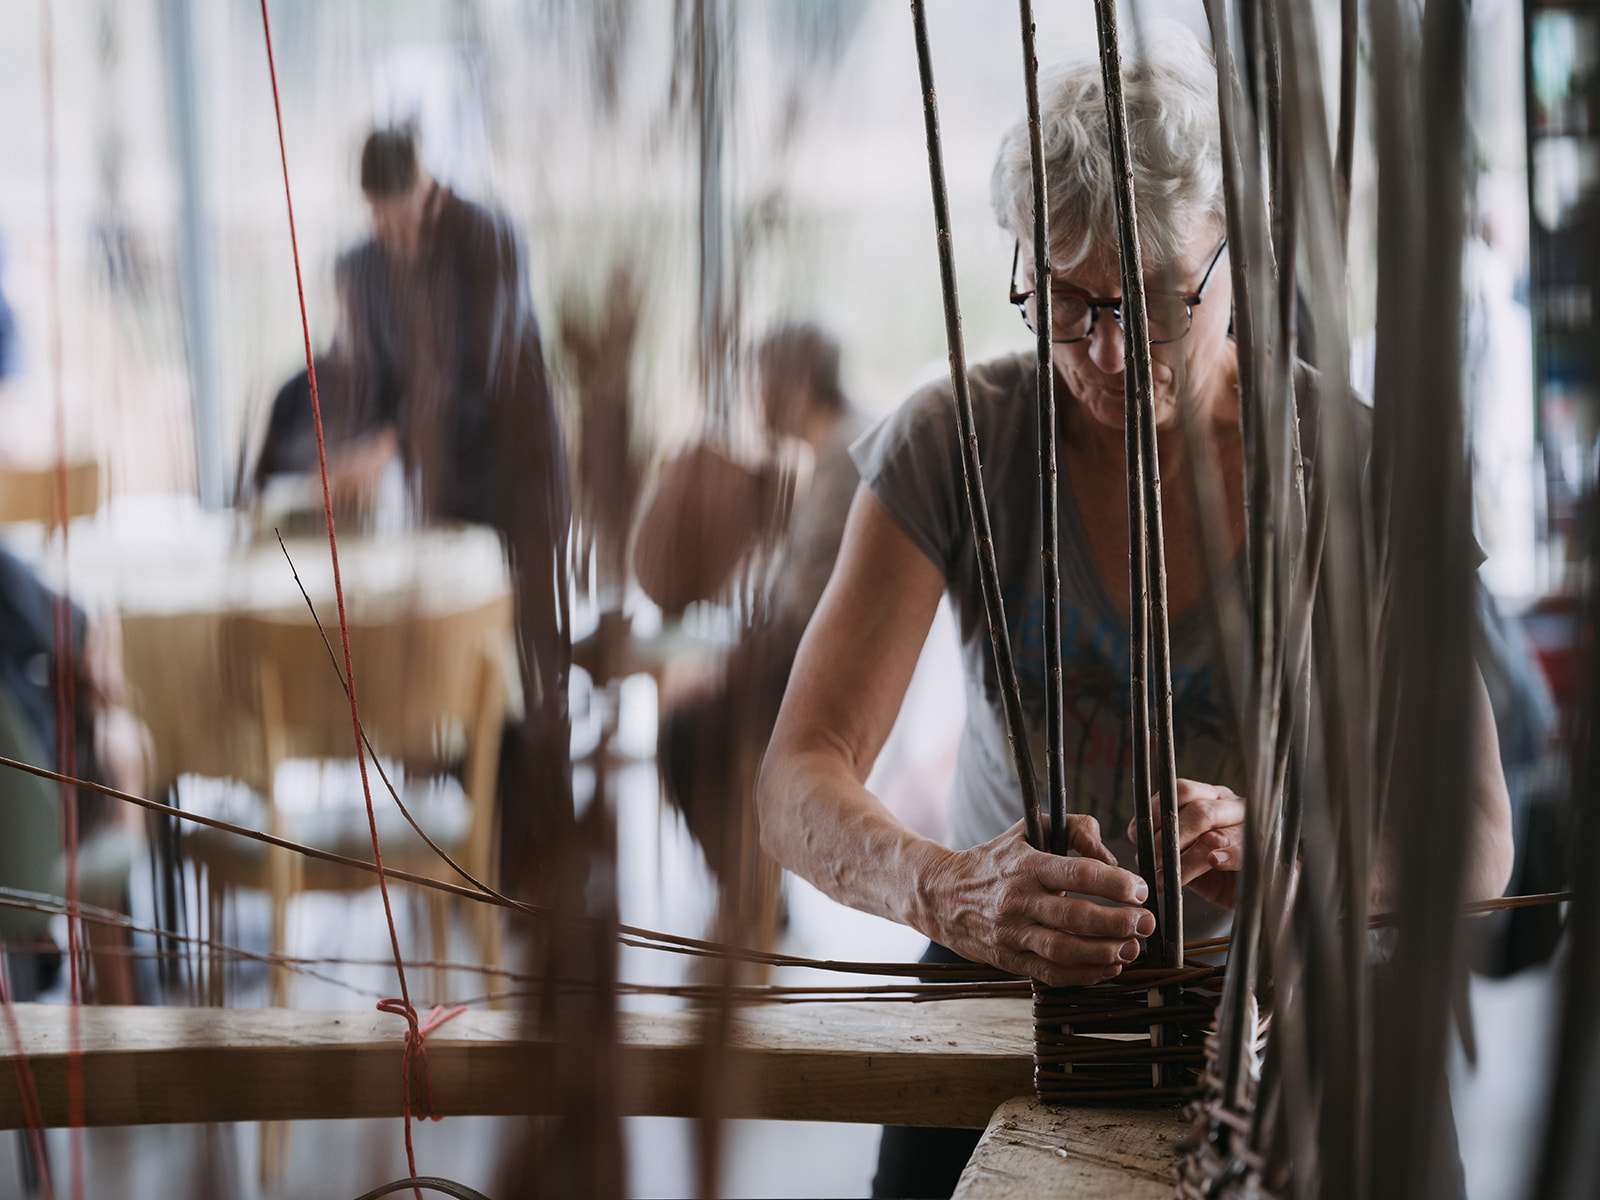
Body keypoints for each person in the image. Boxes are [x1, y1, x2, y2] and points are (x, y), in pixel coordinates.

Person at [753, 37, 1515, 1200]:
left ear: (1241, 254)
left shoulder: (1365, 472)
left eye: (1153, 301)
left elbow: (1475, 833)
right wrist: (952, 891)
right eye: (1065, 303)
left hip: (1286, 991)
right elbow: (796, 776)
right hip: (1009, 996)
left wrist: (1295, 866)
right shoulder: (957, 444)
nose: (1107, 351)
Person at [324, 127, 573, 896]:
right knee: (461, 665)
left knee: (530, 663)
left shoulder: (487, 236)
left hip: (520, 485)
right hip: (445, 500)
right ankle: (481, 856)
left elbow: (481, 367)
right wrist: (355, 448)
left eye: (394, 213)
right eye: (374, 215)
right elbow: (371, 376)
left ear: (424, 188)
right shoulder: (365, 264)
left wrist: (391, 442)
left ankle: (542, 859)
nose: (385, 230)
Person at [654, 324, 868, 897]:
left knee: (680, 731)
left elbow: (803, 612)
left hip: (811, 678)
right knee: (688, 700)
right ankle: (752, 884)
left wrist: (727, 671)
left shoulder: (845, 458)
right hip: (805, 662)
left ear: (794, 384)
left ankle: (749, 891)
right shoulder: (841, 446)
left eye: (761, 382)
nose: (755, 398)